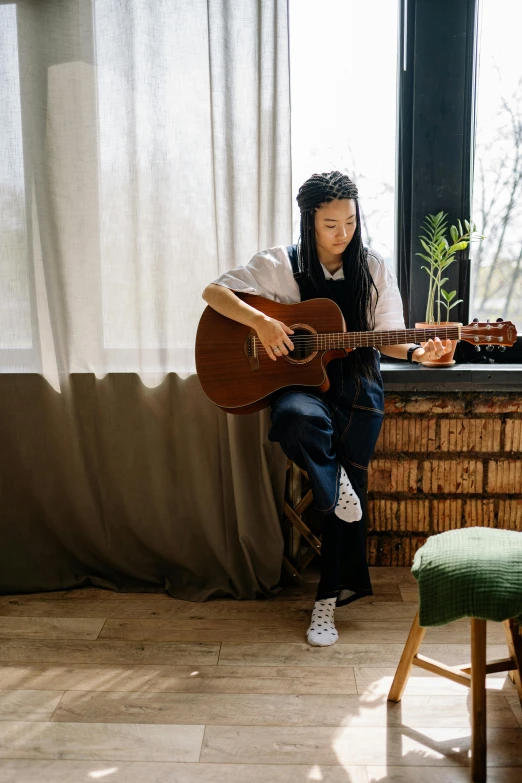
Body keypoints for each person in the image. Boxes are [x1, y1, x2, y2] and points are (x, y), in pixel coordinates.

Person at [202, 171, 452, 646]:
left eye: (351, 222)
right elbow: (214, 294)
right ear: (309, 223)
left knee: (348, 493)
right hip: (299, 382)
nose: (343, 234)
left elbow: (393, 337)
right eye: (331, 225)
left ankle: (326, 604)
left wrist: (423, 353)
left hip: (357, 383)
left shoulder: (373, 267)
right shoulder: (279, 263)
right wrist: (262, 323)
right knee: (295, 418)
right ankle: (333, 481)